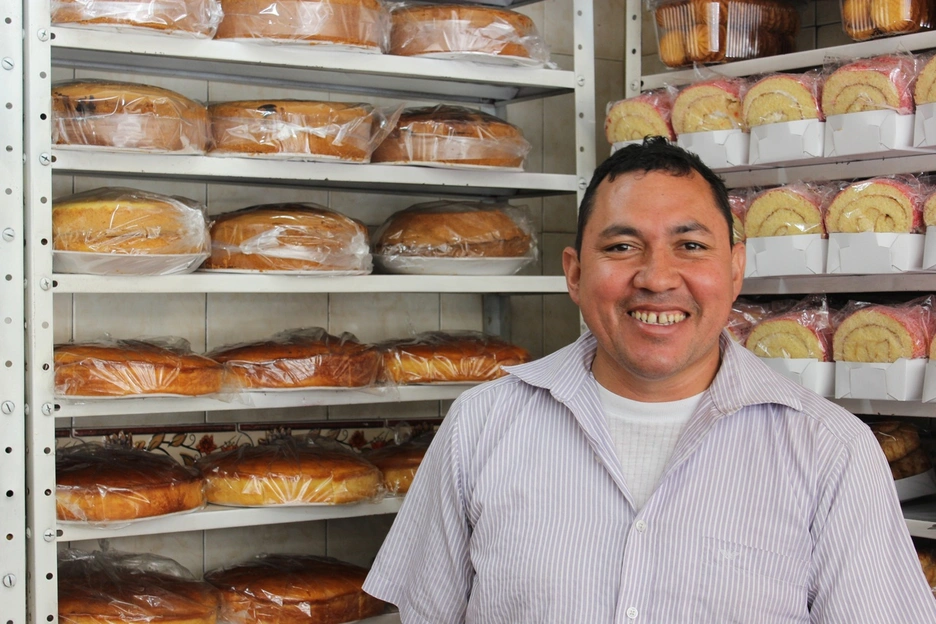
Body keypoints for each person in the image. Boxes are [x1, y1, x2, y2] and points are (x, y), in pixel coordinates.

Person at [363, 137, 936, 622]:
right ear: (575, 273)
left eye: (690, 246)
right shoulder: (481, 425)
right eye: (622, 246)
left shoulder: (832, 452)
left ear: (735, 271)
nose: (657, 278)